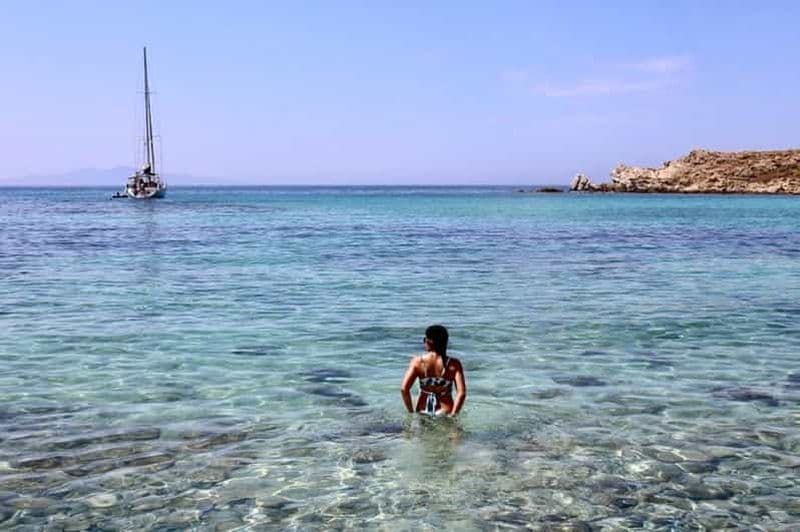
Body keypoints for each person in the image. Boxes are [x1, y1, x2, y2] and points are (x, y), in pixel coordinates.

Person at [400, 325, 466, 416]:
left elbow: (404, 389)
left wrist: (411, 412)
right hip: (445, 410)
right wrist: (453, 414)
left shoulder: (418, 362)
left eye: (424, 340)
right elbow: (461, 393)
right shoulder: (454, 364)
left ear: (429, 341)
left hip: (423, 409)